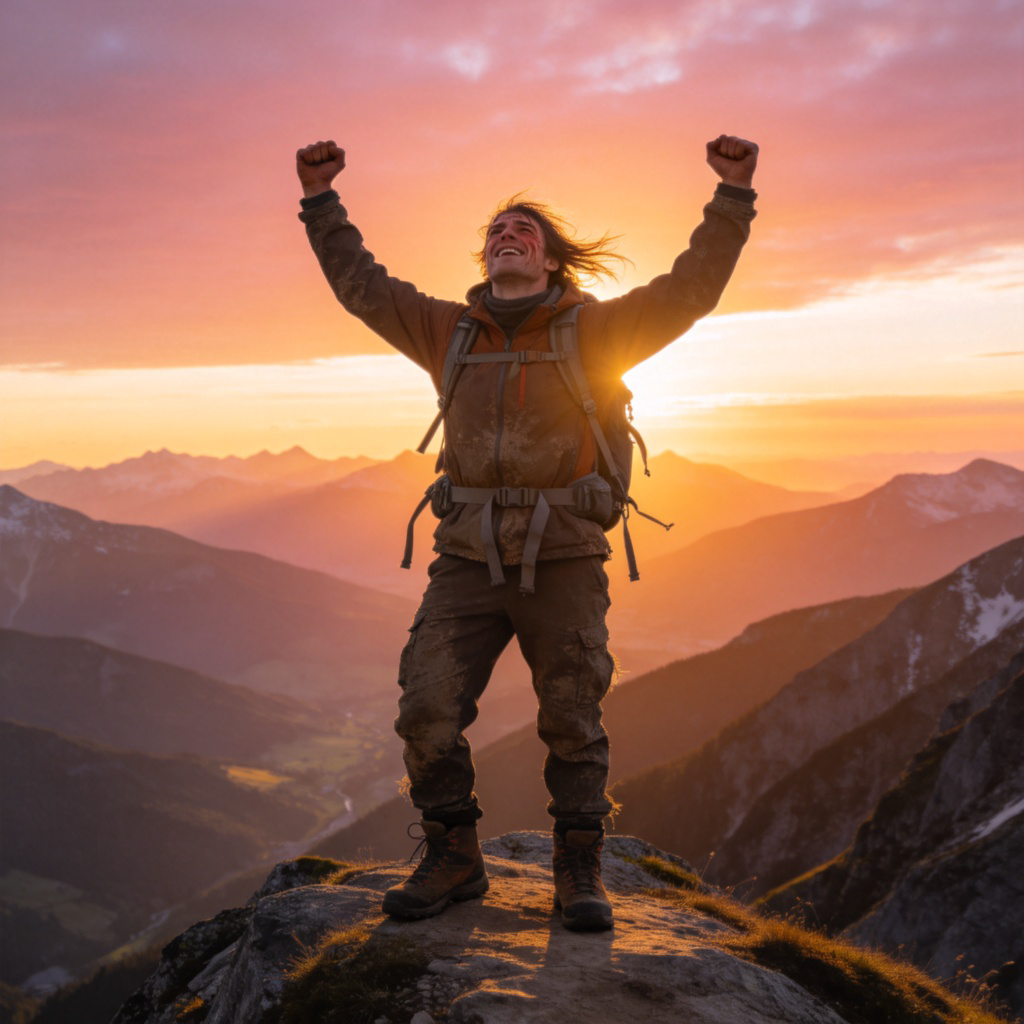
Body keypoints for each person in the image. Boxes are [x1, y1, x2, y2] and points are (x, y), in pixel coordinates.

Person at [295, 135, 758, 931]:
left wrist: (732, 194)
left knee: (572, 714)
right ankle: (454, 854)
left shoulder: (595, 331)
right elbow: (362, 287)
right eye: (495, 234)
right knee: (426, 709)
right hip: (468, 556)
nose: (506, 238)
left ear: (550, 263)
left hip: (566, 555)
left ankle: (579, 864)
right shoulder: (450, 331)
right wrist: (320, 198)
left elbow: (690, 291)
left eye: (525, 233)